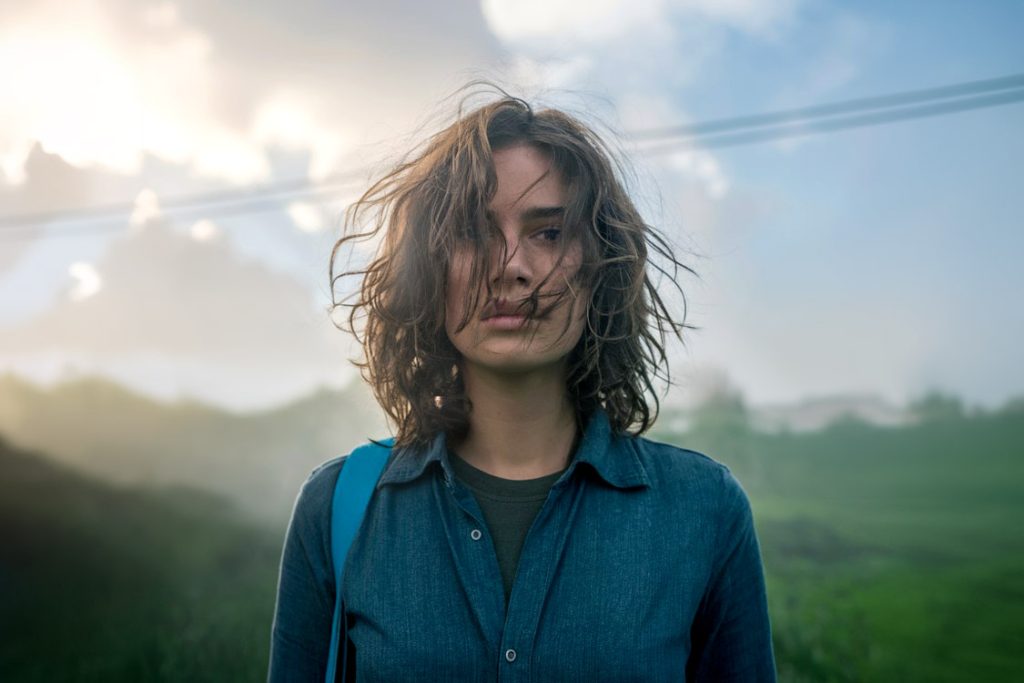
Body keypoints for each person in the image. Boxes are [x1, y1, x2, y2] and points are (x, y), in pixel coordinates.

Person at [268, 86, 776, 682]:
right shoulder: (339, 508)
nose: (510, 265)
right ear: (428, 269)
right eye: (474, 232)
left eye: (549, 233)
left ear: (599, 264)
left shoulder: (704, 509)